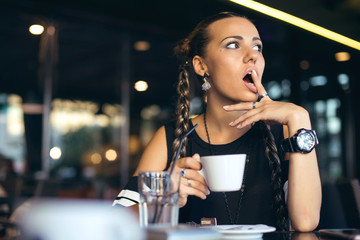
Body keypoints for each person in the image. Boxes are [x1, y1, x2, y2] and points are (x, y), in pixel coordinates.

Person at [113, 12, 322, 232]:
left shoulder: (288, 133)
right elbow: (113, 225)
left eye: (258, 47)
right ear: (202, 66)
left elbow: (306, 221)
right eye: (233, 45)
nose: (252, 56)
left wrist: (300, 117)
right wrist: (164, 197)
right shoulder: (172, 136)